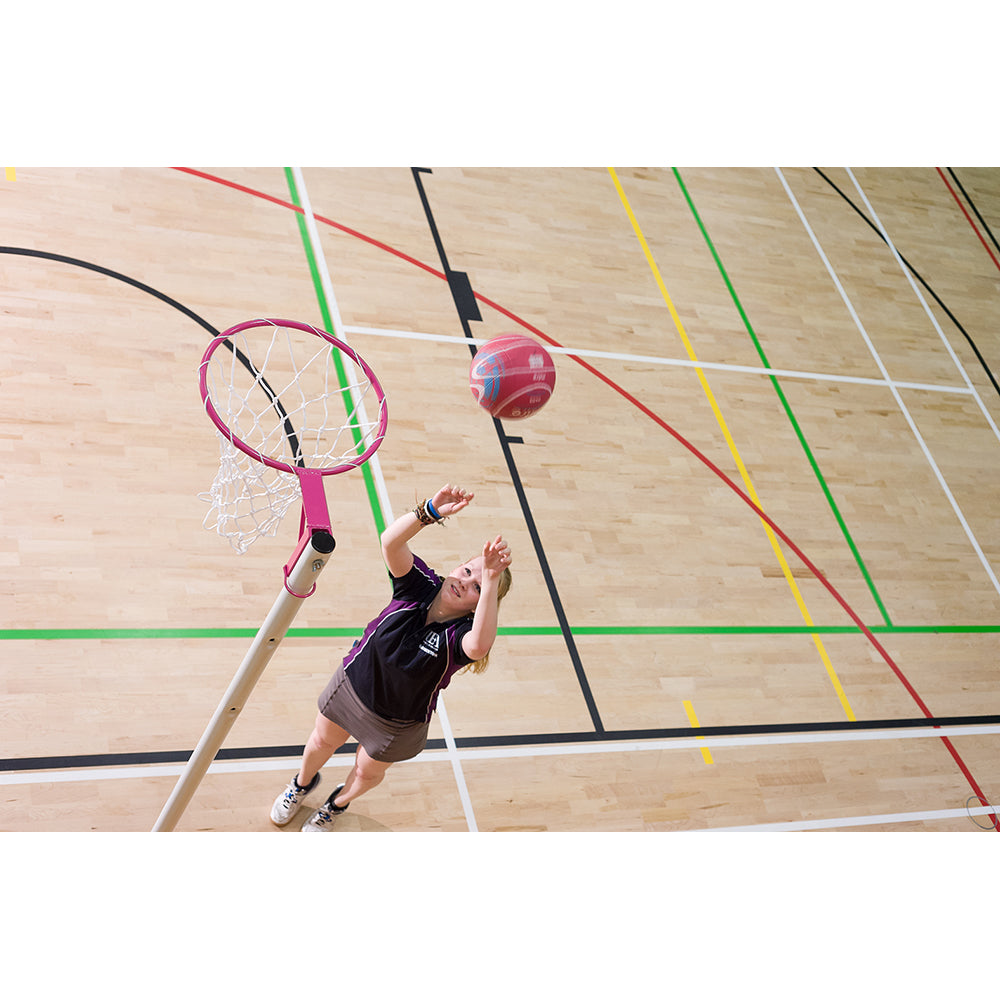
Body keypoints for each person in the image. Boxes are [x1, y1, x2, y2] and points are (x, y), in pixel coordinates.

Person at [270, 484, 513, 831]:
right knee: (321, 741)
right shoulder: (419, 586)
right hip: (353, 687)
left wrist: (491, 579)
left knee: (366, 772)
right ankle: (301, 784)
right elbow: (390, 542)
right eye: (467, 570)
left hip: (397, 725)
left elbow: (479, 647)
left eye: (477, 586)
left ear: (480, 604)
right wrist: (428, 510)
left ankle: (335, 805)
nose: (466, 580)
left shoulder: (461, 636)